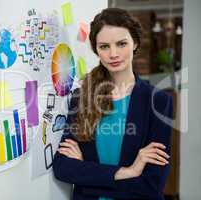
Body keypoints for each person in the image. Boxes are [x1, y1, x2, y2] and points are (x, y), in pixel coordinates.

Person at [52, 8, 173, 200]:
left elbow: (152, 184)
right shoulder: (81, 97)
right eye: (104, 46)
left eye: (121, 44)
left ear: (135, 43)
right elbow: (62, 167)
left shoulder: (158, 101)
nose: (113, 54)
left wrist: (87, 175)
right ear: (96, 49)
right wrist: (128, 171)